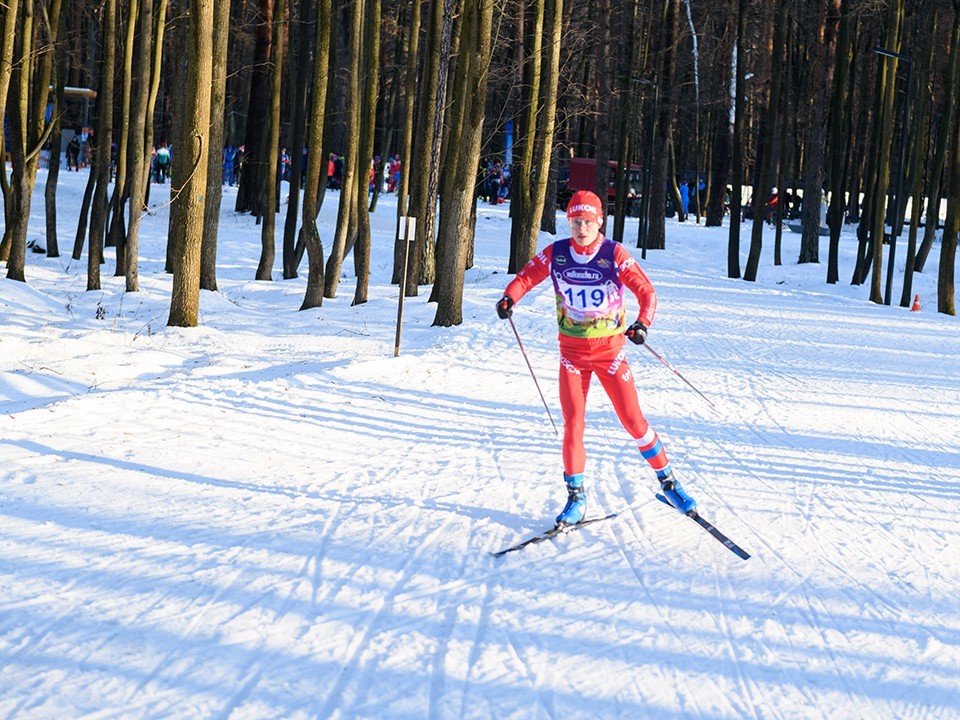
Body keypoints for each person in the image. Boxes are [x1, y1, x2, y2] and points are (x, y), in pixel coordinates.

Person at [495, 189, 695, 527]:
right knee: (573, 425)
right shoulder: (557, 253)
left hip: (610, 354)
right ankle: (576, 497)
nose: (581, 228)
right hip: (572, 355)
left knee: (634, 422)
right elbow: (528, 276)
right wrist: (509, 297)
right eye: (575, 221)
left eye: (587, 221)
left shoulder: (613, 253)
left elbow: (646, 292)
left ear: (599, 221)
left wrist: (642, 324)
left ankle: (669, 481)